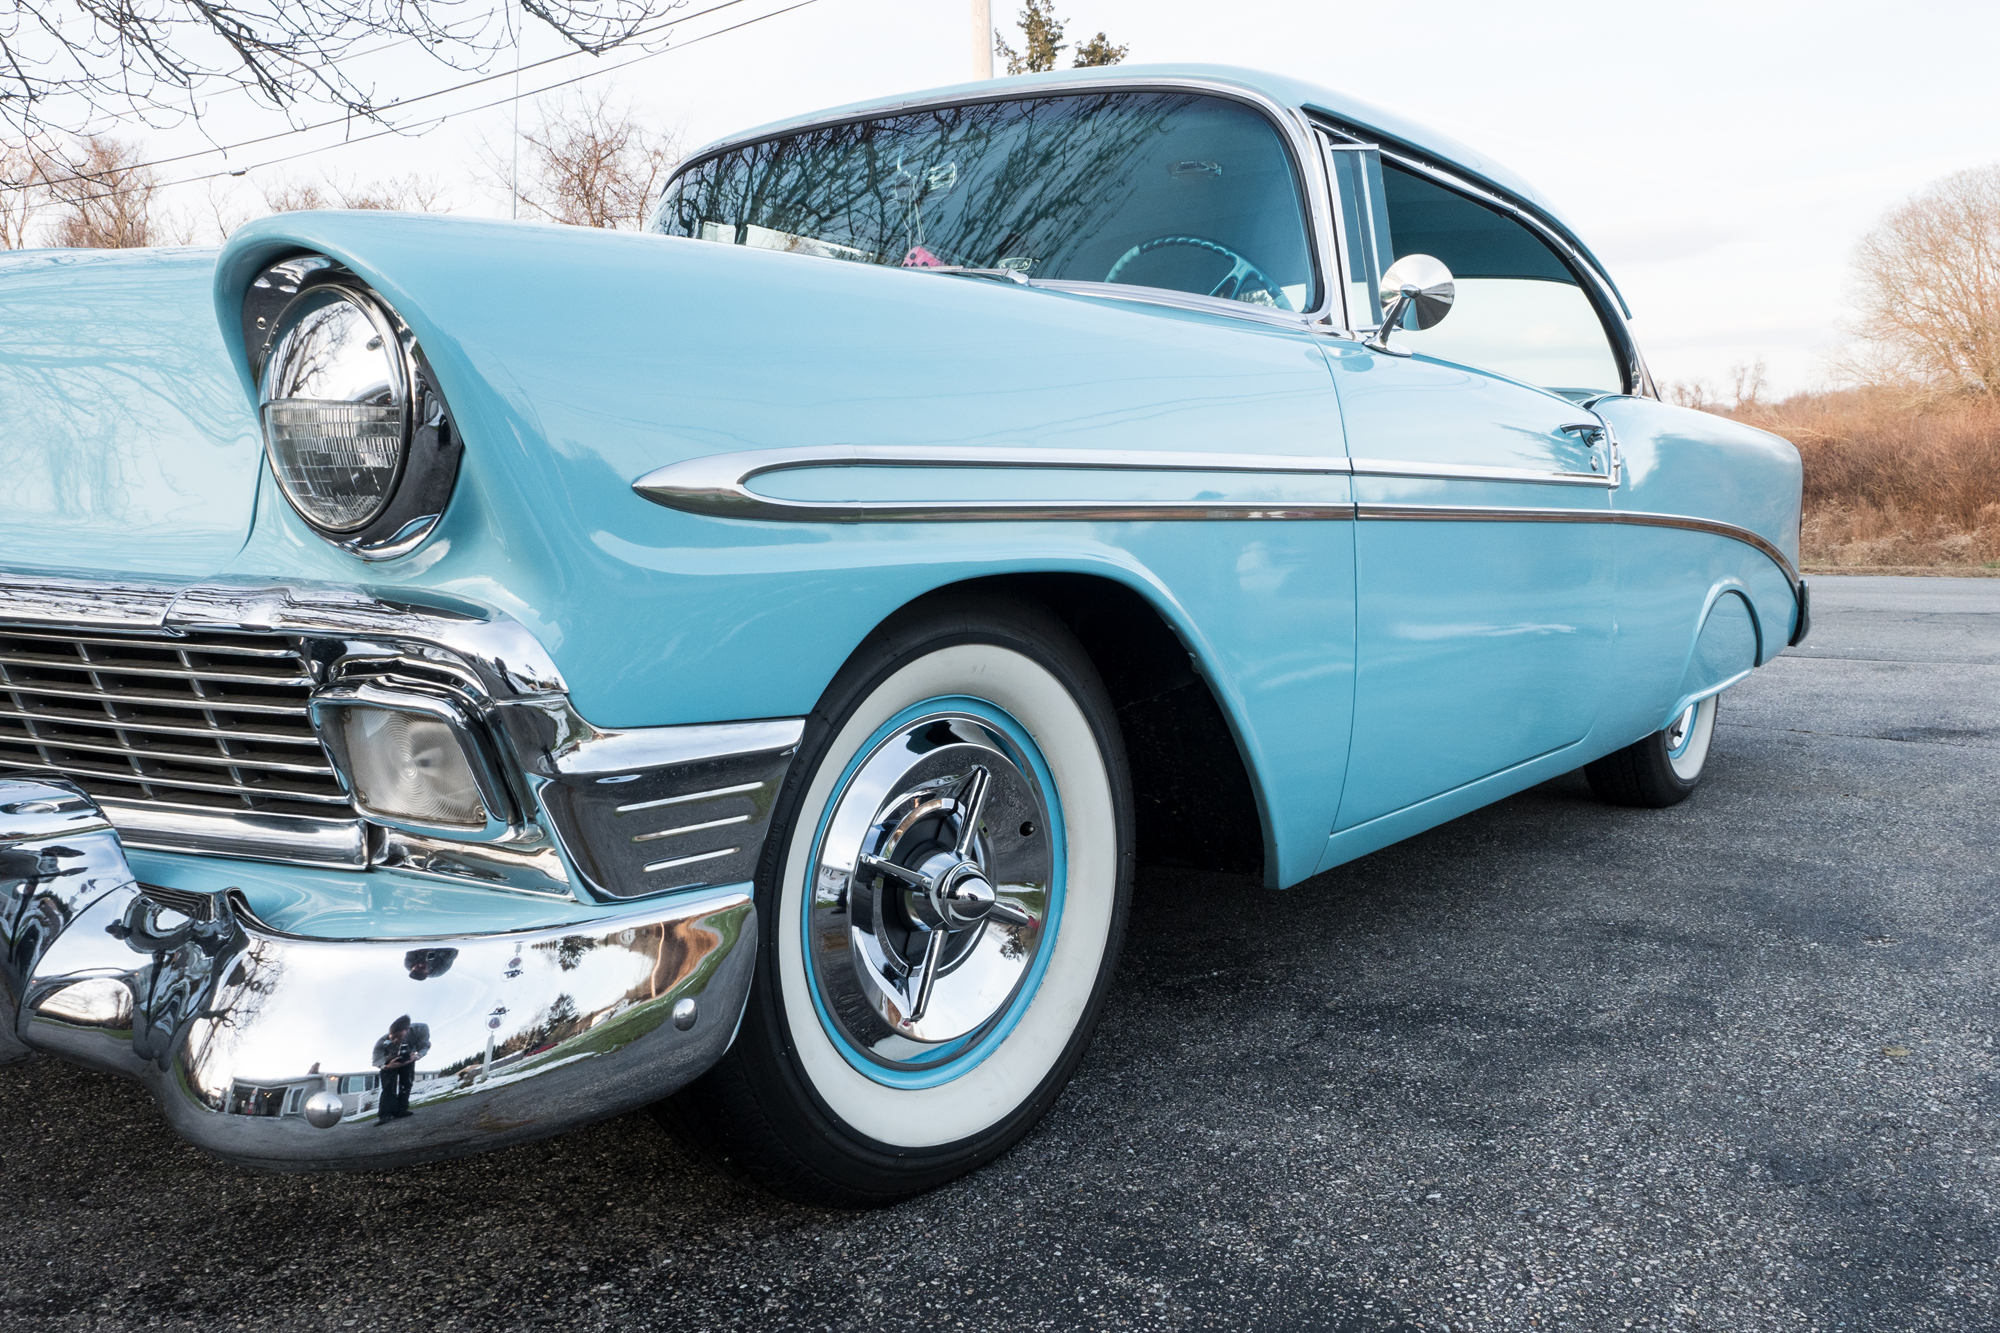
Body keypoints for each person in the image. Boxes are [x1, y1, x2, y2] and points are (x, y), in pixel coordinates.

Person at [371, 1014, 431, 1123]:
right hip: (388, 1062)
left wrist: (418, 1055)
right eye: (392, 1037)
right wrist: (387, 1066)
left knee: (406, 1084)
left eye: (399, 1037)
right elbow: (376, 1060)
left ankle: (401, 1110)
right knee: (388, 1086)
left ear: (407, 1030)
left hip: (408, 1058)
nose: (395, 1040)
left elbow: (424, 1046)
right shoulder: (381, 1042)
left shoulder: (420, 1029)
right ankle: (385, 1114)